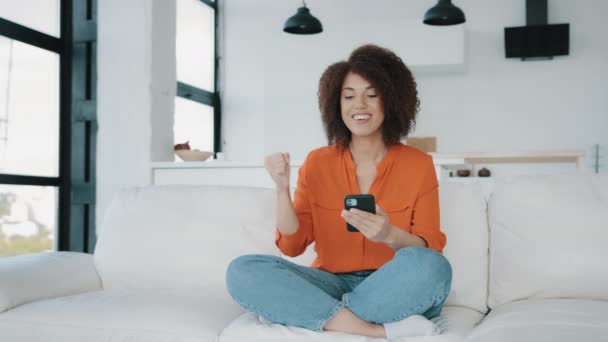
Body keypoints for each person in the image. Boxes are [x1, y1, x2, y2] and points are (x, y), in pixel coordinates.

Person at [225, 44, 452, 340]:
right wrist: (281, 188)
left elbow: (428, 249)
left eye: (372, 95)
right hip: (329, 282)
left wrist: (389, 235)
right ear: (336, 104)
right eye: (349, 96)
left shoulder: (418, 164)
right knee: (243, 271)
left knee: (433, 266)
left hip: (390, 283)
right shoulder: (317, 162)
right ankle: (373, 329)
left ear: (392, 101)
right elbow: (292, 245)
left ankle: (315, 314)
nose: (360, 105)